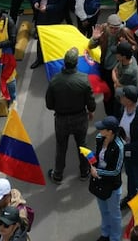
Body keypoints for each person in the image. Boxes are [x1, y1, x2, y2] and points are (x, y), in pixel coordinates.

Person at [44, 47, 97, 183]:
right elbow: (91, 102)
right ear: (76, 64)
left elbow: (49, 105)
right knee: (83, 146)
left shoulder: (55, 81)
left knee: (61, 147)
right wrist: (90, 111)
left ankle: (58, 175)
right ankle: (84, 172)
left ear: (64, 62)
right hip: (80, 118)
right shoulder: (84, 80)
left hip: (61, 119)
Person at [90, 115, 126, 241]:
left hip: (112, 186)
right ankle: (105, 234)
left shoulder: (119, 147)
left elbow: (116, 171)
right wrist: (91, 161)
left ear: (110, 131)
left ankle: (115, 238)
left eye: (102, 128)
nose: (99, 130)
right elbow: (97, 156)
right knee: (104, 211)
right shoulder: (99, 138)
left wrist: (97, 171)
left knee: (114, 214)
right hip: (100, 181)